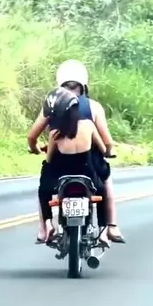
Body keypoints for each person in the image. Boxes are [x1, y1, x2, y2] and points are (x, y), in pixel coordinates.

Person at [27, 59, 126, 245]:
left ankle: (44, 228)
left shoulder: (52, 107)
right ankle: (111, 227)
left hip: (59, 167)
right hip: (88, 164)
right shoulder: (93, 108)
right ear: (83, 85)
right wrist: (107, 151)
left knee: (44, 184)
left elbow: (33, 137)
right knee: (105, 180)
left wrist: (35, 149)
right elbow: (107, 142)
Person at [34, 87, 107, 244]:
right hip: (87, 175)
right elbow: (103, 149)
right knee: (103, 191)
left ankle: (48, 223)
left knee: (43, 189)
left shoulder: (54, 133)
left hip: (63, 176)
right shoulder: (89, 125)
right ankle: (103, 230)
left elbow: (49, 159)